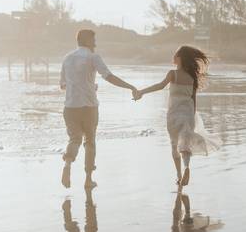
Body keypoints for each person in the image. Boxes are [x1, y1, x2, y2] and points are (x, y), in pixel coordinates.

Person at [59, 29, 137, 189]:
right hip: (89, 107)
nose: (95, 43)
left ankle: (67, 164)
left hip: (70, 107)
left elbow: (63, 85)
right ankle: (88, 179)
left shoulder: (67, 58)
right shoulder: (93, 57)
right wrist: (130, 87)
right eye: (93, 40)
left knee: (74, 139)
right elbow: (109, 76)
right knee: (90, 142)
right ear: (87, 40)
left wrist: (84, 85)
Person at [133, 45, 220, 187]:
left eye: (175, 55)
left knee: (174, 146)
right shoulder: (192, 77)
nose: (172, 57)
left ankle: (179, 176)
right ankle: (187, 168)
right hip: (188, 115)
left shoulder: (172, 74)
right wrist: (192, 117)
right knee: (185, 146)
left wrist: (141, 92)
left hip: (173, 115)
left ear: (179, 59)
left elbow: (159, 86)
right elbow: (193, 99)